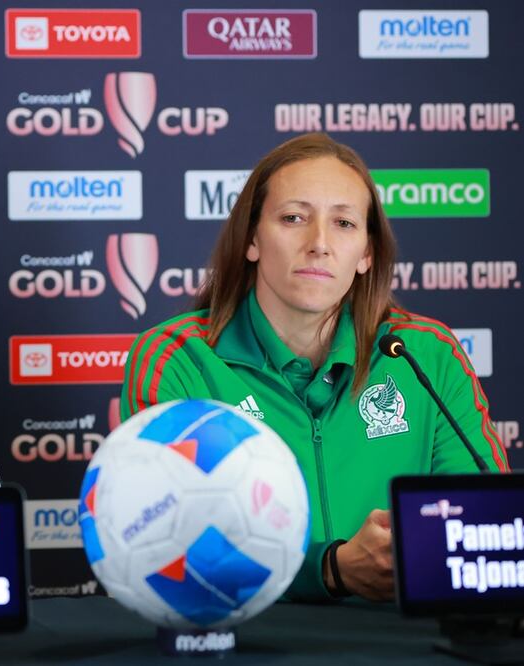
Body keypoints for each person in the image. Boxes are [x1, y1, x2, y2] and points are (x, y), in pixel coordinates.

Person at [121, 133, 508, 603]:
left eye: (344, 222)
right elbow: (165, 542)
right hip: (248, 644)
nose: (319, 243)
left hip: (402, 639)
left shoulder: (426, 354)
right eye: (293, 218)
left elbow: (487, 526)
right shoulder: (178, 359)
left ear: (367, 253)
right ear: (251, 240)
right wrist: (328, 568)